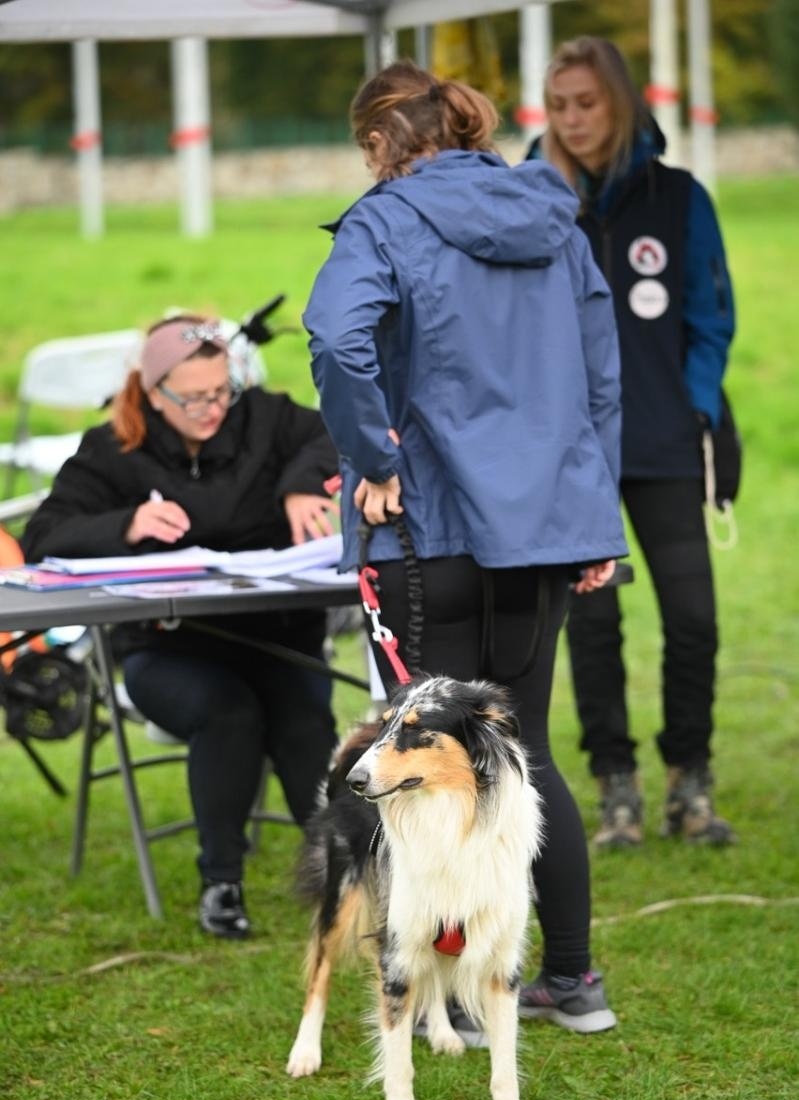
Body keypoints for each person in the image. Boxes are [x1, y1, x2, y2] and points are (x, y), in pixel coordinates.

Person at [304, 61, 628, 1035]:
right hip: (540, 530)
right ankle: (569, 980)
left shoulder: (383, 218)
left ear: (378, 143)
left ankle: (460, 1000)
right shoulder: (552, 215)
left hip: (424, 530)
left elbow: (333, 335)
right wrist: (587, 515)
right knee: (517, 754)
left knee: (424, 767)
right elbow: (601, 376)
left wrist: (372, 451)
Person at [21, 314, 340, 937]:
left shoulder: (267, 419)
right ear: (152, 393)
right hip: (166, 650)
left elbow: (336, 433)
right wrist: (126, 528)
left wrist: (304, 484)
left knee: (304, 715)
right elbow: (41, 537)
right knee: (228, 712)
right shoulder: (110, 451)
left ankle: (339, 870)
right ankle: (222, 881)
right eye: (192, 398)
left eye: (221, 392)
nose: (210, 409)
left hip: (277, 634)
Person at [529, 37, 736, 848]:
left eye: (586, 102)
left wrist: (690, 407)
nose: (572, 120)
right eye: (557, 106)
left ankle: (691, 778)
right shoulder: (529, 197)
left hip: (660, 441)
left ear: (618, 101)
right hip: (568, 450)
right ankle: (614, 787)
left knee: (692, 617)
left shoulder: (678, 198)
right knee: (591, 621)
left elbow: (710, 318)